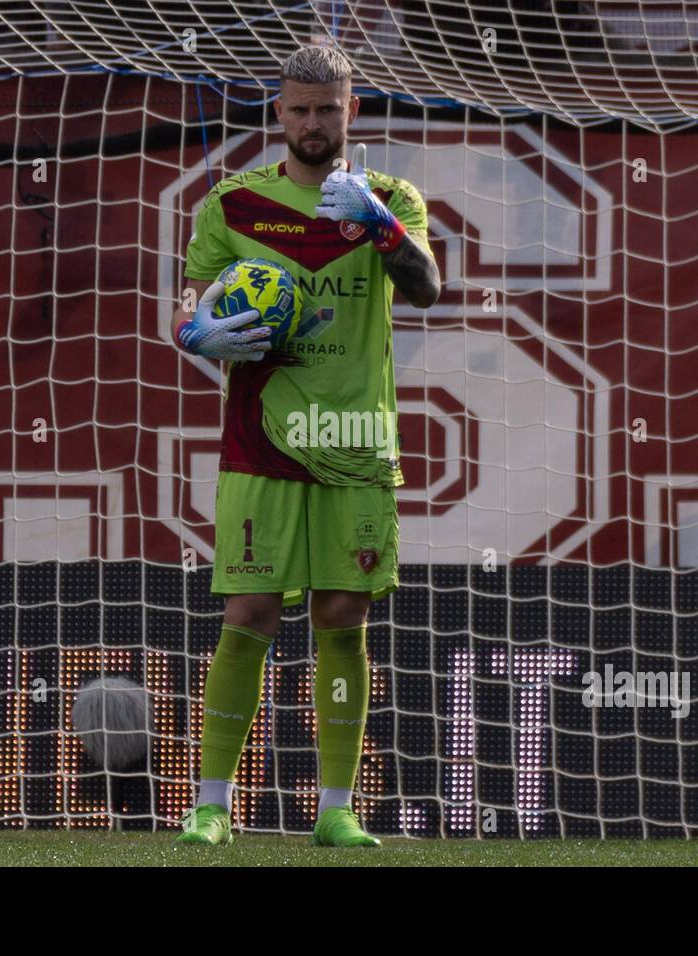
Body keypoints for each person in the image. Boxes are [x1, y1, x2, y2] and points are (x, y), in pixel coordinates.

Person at [170, 43, 441, 847]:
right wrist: (199, 334)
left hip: (354, 440)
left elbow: (427, 288)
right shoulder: (234, 205)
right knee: (248, 611)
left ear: (351, 109)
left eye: (328, 108)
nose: (313, 122)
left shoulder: (390, 198)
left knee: (344, 617)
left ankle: (336, 812)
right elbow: (188, 312)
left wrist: (385, 230)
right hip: (263, 441)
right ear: (278, 112)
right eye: (299, 108)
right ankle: (212, 805)